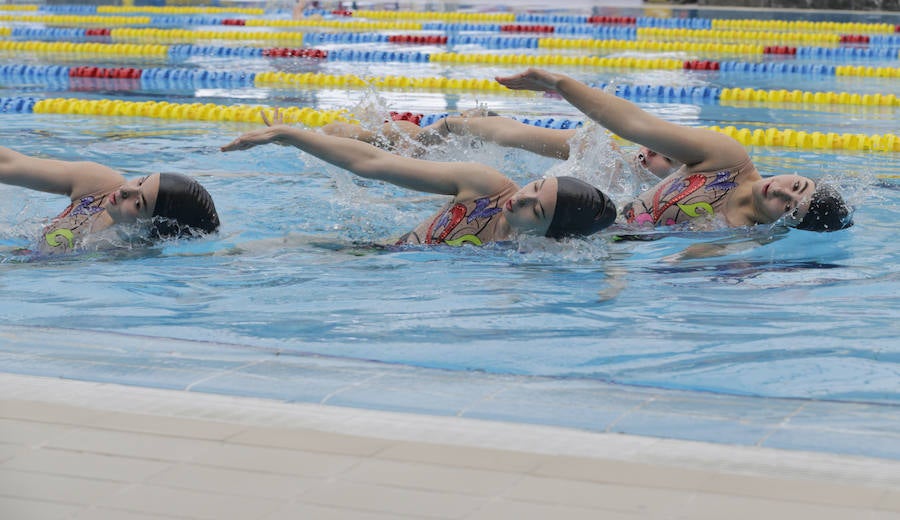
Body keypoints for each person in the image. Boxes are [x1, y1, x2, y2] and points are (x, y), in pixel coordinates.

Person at [494, 68, 852, 232]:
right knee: (593, 147)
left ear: (785, 225)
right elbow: (635, 125)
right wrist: (560, 84)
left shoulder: (741, 239)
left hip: (602, 246)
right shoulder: (729, 160)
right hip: (597, 214)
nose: (781, 191)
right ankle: (478, 126)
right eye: (797, 185)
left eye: (789, 208)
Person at [221, 109, 617, 245]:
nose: (522, 198)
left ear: (550, 235)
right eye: (535, 187)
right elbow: (373, 163)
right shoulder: (487, 187)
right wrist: (289, 135)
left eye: (536, 211)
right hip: (376, 251)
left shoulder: (535, 259)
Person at [324, 109, 682, 179]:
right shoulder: (598, 151)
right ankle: (356, 133)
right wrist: (449, 126)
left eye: (665, 158)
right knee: (416, 141)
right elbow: (515, 134)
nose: (649, 151)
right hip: (478, 136)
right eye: (655, 145)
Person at [0, 145, 220, 255]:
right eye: (141, 181)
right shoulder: (99, 185)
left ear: (151, 225)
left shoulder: (127, 252)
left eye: (138, 204)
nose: (127, 190)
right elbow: (10, 163)